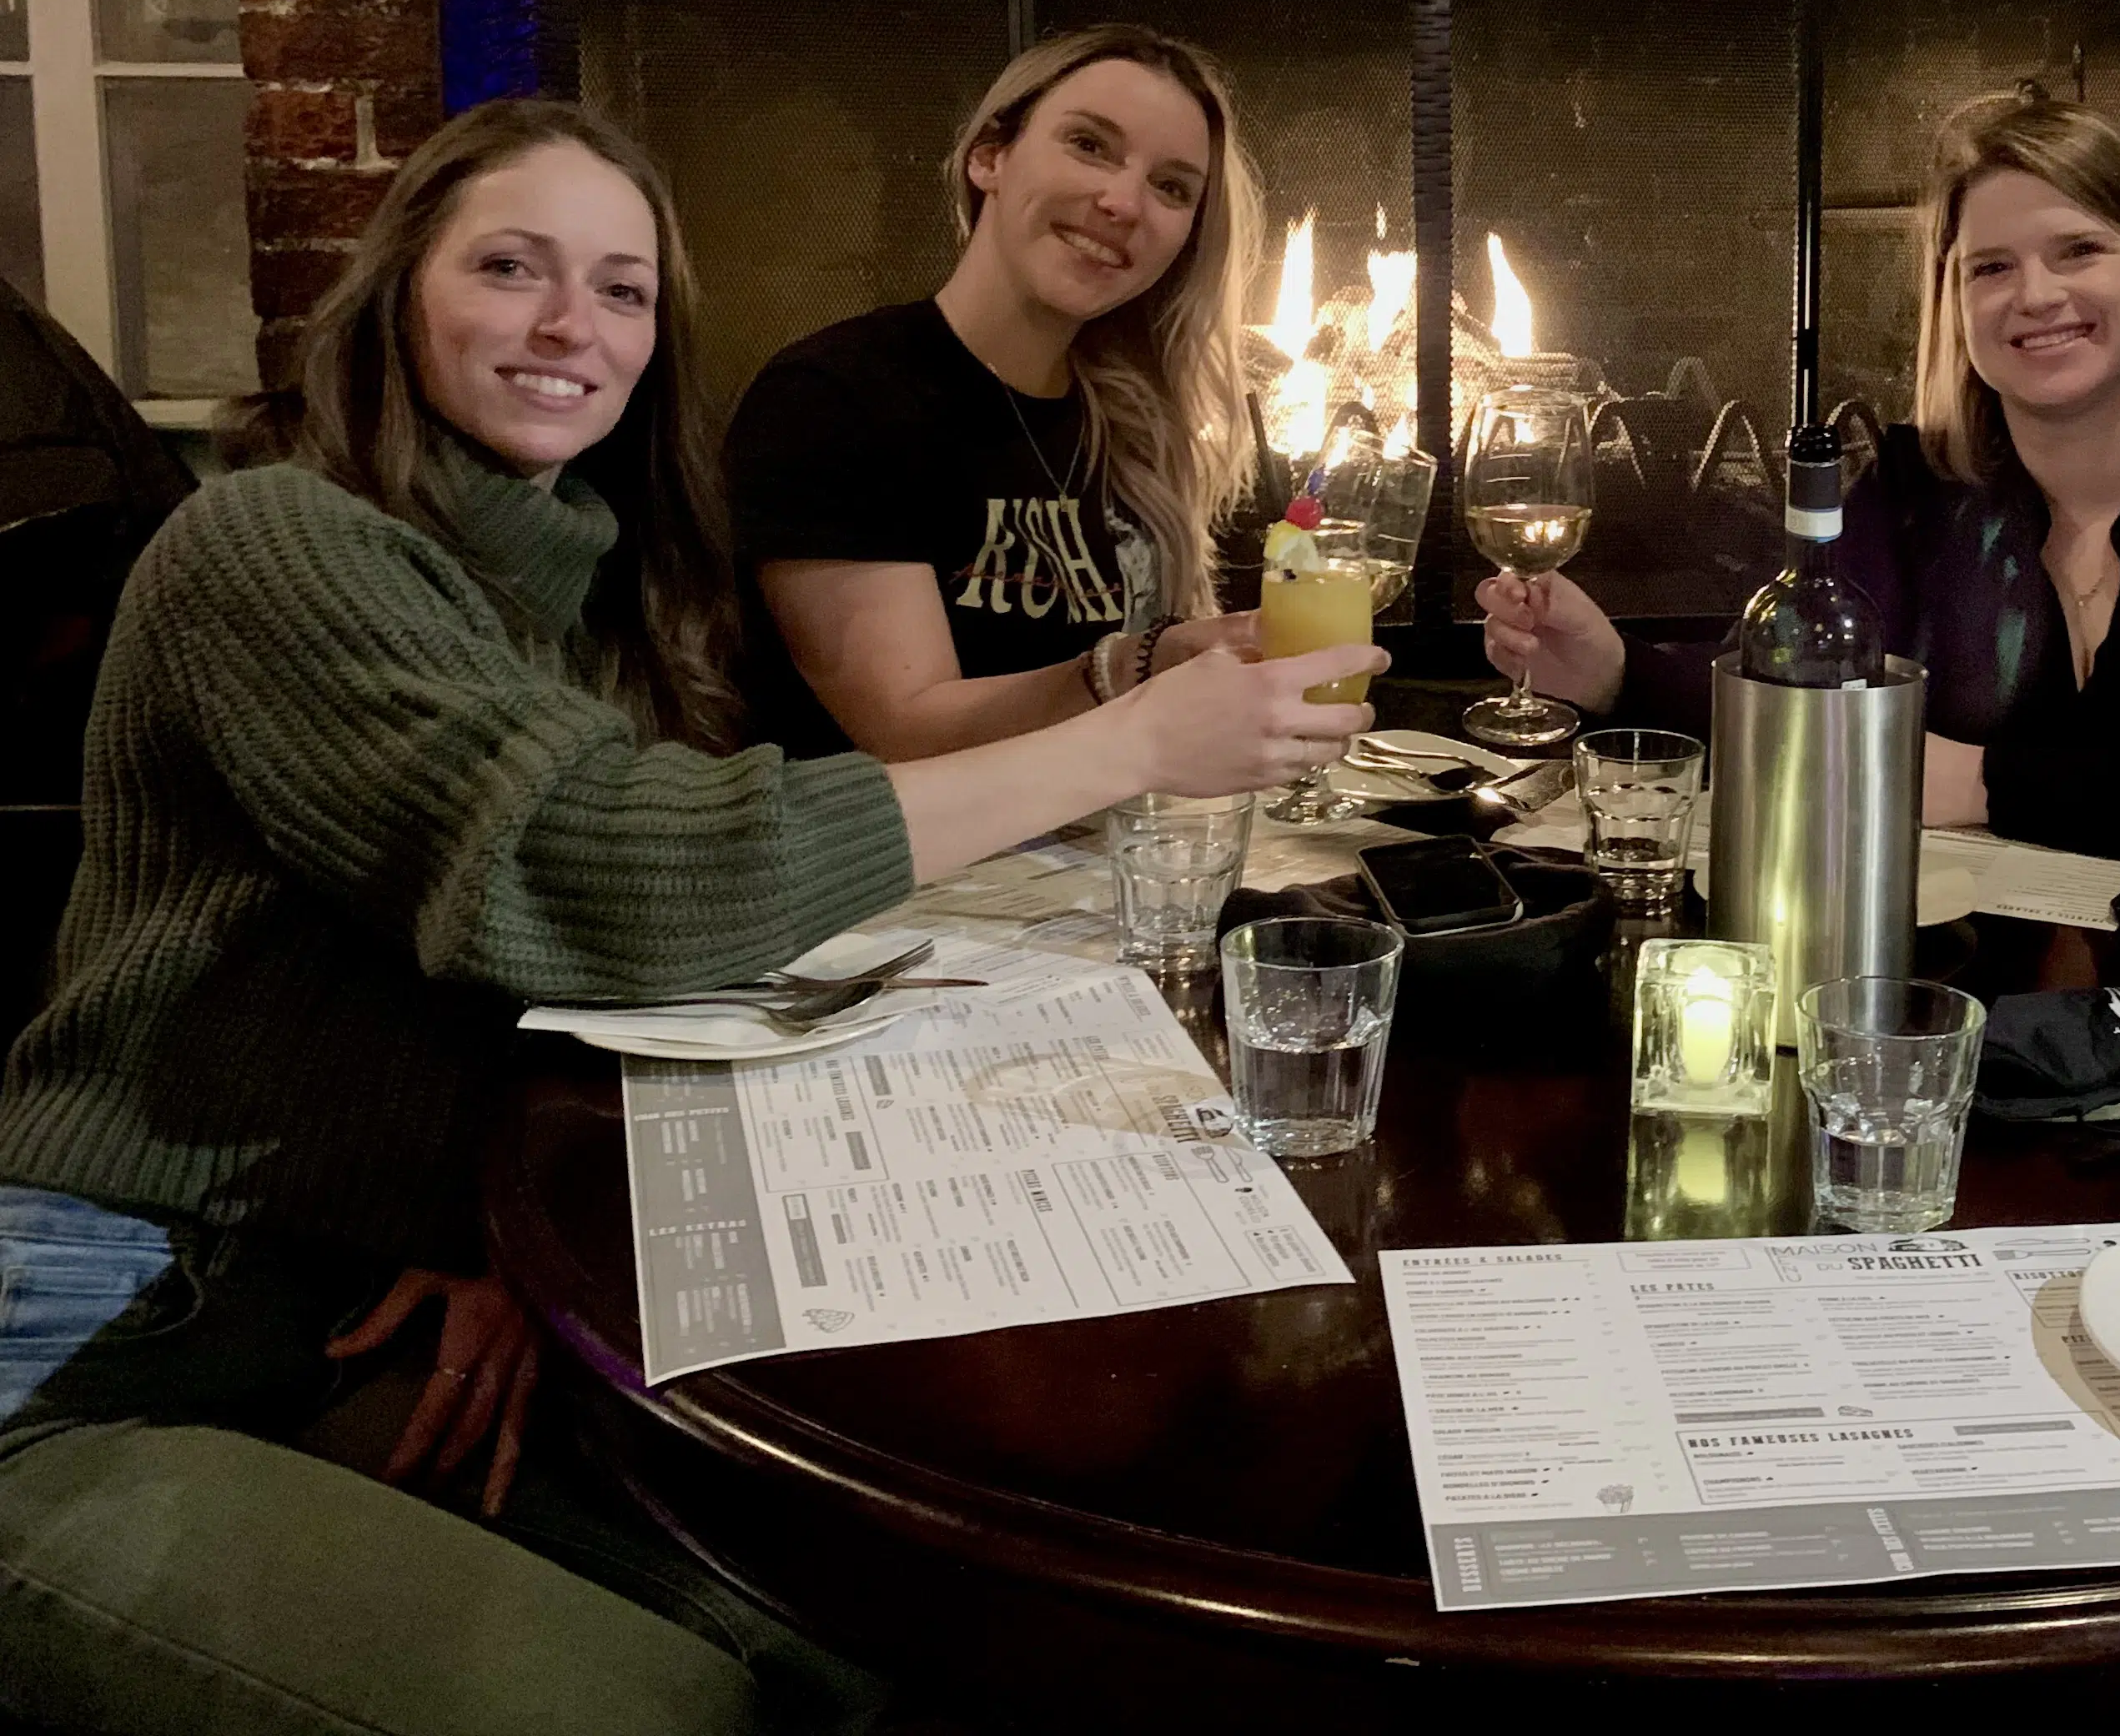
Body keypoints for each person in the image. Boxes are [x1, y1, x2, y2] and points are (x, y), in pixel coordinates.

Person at [0, 100, 1375, 1734]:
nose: (570, 324)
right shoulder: (276, 542)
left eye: (623, 290)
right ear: (396, 296)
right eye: (511, 268)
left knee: (867, 1653)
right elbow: (601, 875)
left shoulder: (586, 593)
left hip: (351, 1310)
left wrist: (479, 1231)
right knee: (664, 1711)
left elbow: (505, 979)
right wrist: (1133, 741)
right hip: (96, 1337)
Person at [1482, 88, 2120, 872]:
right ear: (1954, 309)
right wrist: (1613, 673)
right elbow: (1794, 717)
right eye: (1989, 269)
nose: (2035, 296)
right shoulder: (1913, 492)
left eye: (2078, 251)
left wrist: (1977, 779)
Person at [726, 22, 1268, 760]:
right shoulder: (832, 398)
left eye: (1171, 187)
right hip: (909, 869)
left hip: (1104, 846)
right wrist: (1145, 665)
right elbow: (906, 731)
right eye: (1089, 145)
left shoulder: (1136, 423)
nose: (1123, 202)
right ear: (991, 156)